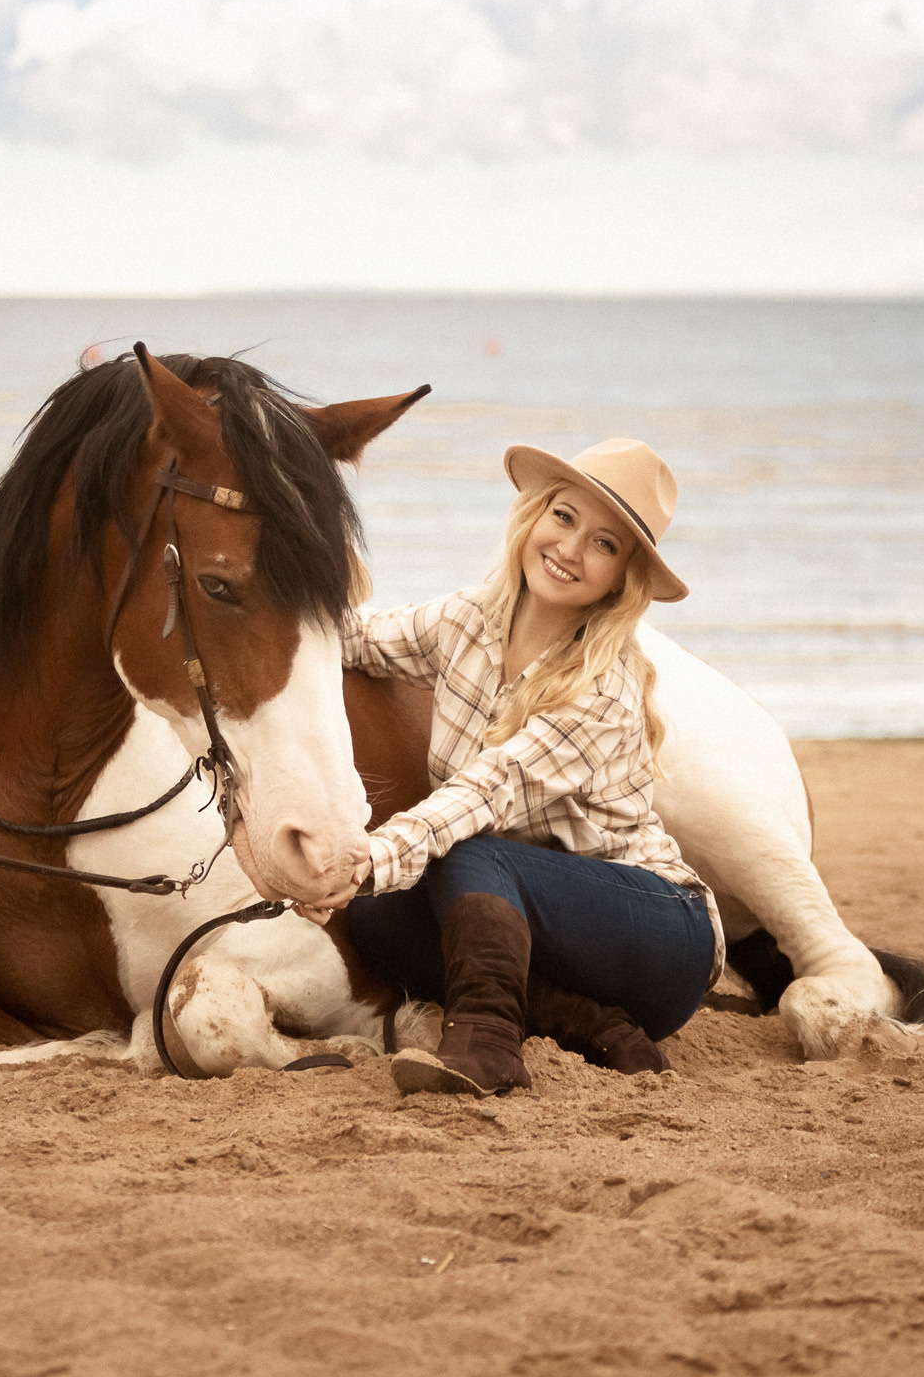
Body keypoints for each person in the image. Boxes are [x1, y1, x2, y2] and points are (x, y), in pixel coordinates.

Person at [302, 438, 721, 1096]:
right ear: (533, 516)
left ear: (622, 577)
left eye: (605, 544)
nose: (572, 549)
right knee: (380, 920)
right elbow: (357, 636)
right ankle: (590, 1024)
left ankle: (488, 1044)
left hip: (661, 937)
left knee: (471, 851)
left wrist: (367, 858)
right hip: (546, 938)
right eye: (564, 517)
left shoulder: (601, 690)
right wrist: (270, 603)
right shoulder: (466, 621)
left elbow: (485, 793)